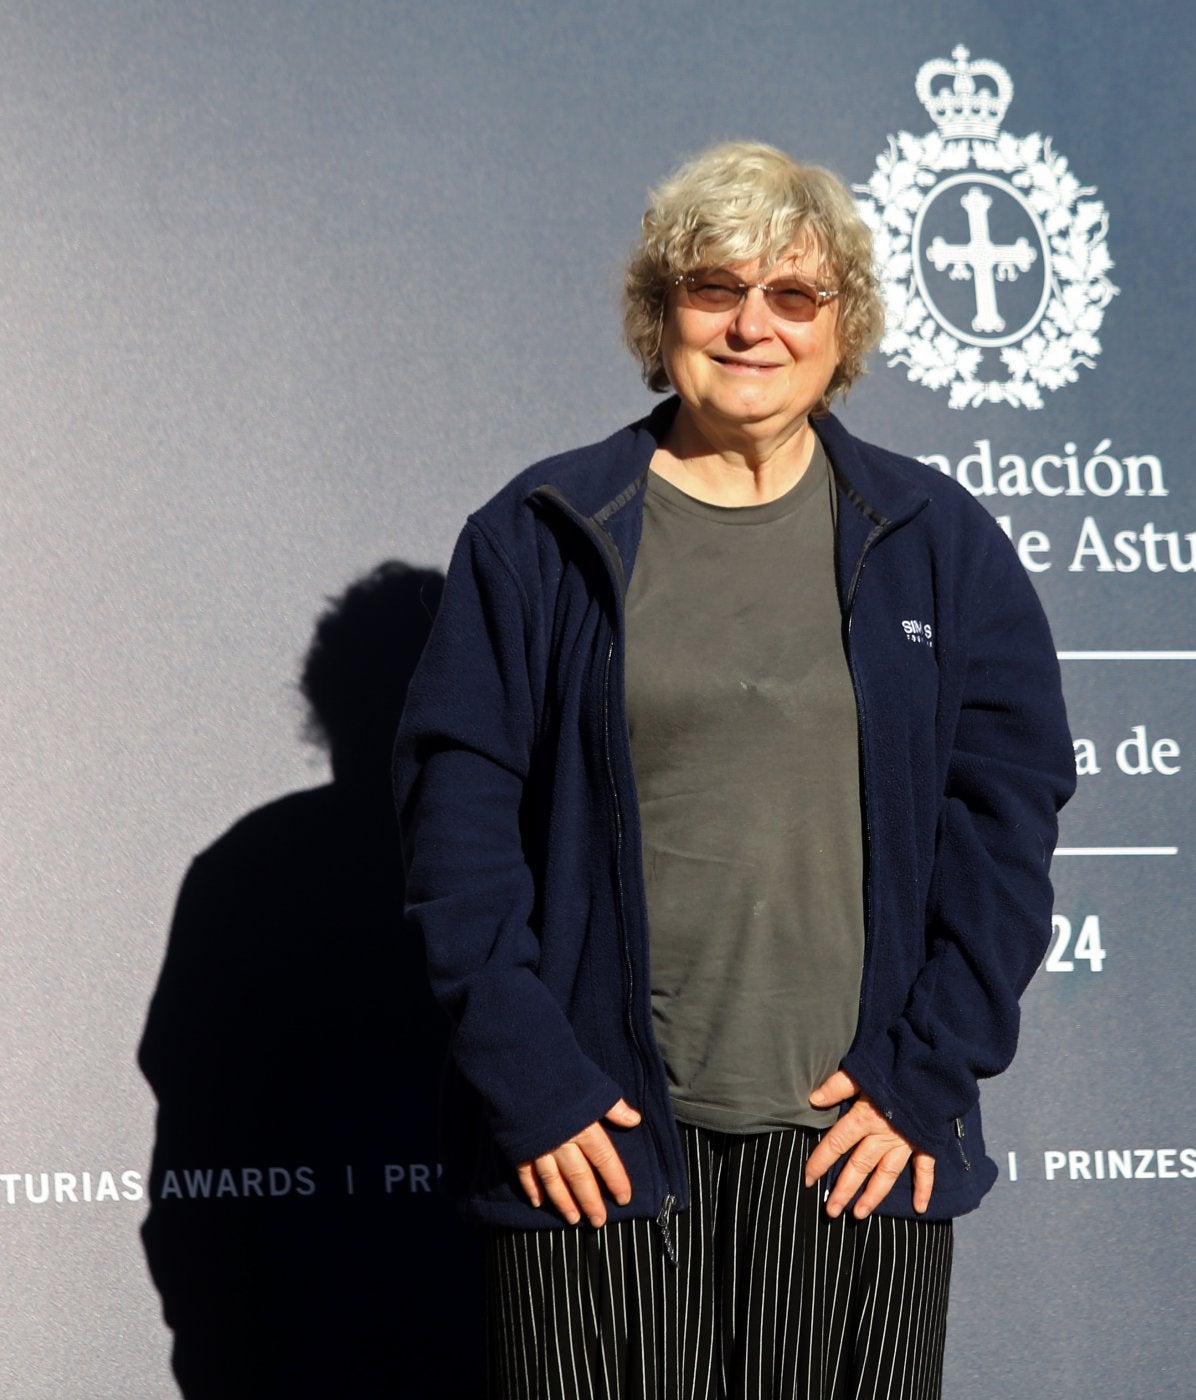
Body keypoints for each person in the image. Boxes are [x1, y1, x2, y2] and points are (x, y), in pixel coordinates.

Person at [394, 140, 1074, 1400]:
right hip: (600, 1146)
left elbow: (1006, 832)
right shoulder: (541, 535)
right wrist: (535, 1087)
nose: (752, 323)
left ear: (843, 326)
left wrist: (925, 1078)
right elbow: (458, 834)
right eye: (715, 287)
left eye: (794, 294)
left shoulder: (937, 543)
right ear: (663, 316)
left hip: (855, 1152)